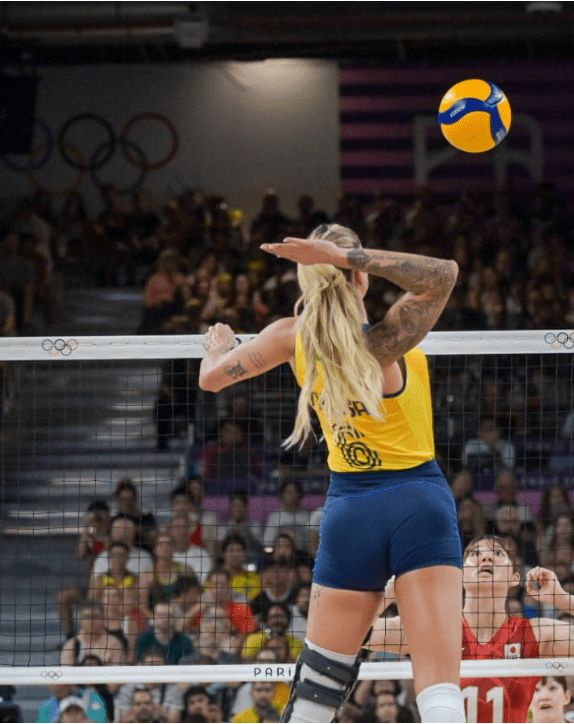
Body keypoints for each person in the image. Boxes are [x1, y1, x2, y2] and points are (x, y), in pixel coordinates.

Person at [198, 224, 464, 723]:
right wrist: (349, 256)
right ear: (358, 279)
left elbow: (211, 380)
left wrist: (218, 347)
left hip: (350, 511)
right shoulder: (384, 341)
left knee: (316, 693)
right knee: (439, 689)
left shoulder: (289, 337)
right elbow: (442, 275)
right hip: (417, 501)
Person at [366, 537, 574, 723]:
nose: (486, 559)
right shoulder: (433, 629)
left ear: (514, 577)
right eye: (475, 555)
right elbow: (355, 637)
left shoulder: (535, 633)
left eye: (497, 554)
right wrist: (386, 596)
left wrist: (562, 599)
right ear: (460, 573)